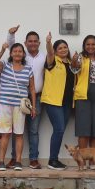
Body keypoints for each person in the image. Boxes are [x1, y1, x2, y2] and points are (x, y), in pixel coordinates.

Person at [5, 27, 47, 169]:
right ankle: (13, 158)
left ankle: (33, 159)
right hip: (19, 97)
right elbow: (11, 46)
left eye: (35, 41)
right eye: (30, 41)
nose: (33, 43)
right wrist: (11, 34)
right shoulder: (21, 55)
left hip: (37, 97)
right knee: (16, 129)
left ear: (39, 43)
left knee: (34, 130)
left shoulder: (44, 57)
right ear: (25, 42)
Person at [0, 42, 35, 172]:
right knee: (5, 133)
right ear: (11, 53)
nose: (17, 53)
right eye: (15, 51)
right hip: (5, 104)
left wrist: (33, 106)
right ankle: (1, 161)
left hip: (20, 106)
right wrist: (2, 50)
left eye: (20, 51)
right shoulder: (5, 66)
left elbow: (32, 89)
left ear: (23, 54)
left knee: (19, 134)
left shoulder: (28, 69)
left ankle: (18, 161)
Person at [41, 33, 75, 170]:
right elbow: (49, 53)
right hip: (53, 101)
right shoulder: (53, 60)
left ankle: (54, 159)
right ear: (55, 51)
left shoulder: (71, 63)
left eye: (65, 47)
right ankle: (52, 160)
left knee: (60, 130)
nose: (63, 50)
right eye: (60, 48)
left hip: (67, 102)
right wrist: (49, 42)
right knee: (59, 129)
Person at [70, 35, 95, 161]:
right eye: (88, 44)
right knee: (83, 129)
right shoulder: (80, 57)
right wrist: (74, 61)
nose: (90, 47)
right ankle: (82, 160)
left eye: (93, 44)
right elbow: (74, 69)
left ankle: (92, 160)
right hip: (83, 96)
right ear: (84, 46)